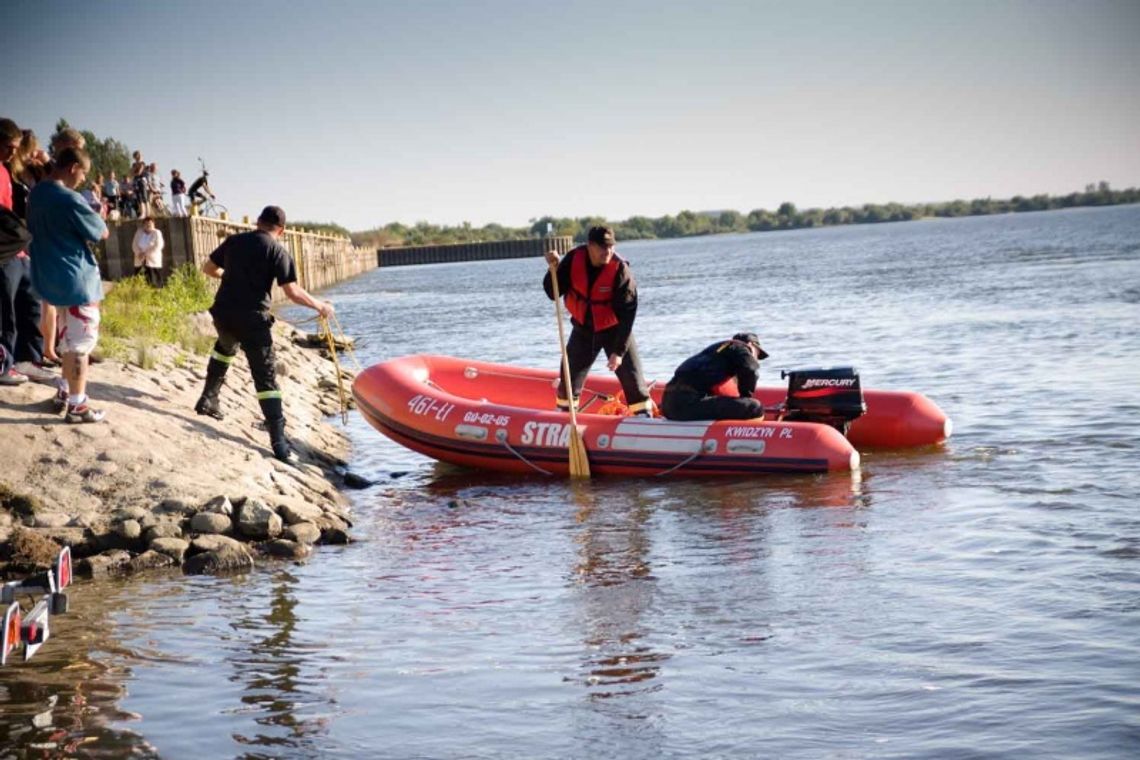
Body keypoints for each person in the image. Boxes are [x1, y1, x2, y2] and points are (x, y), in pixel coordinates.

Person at [194, 205, 334, 462]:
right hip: (253, 320)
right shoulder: (277, 250)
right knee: (266, 378)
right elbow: (291, 291)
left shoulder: (234, 241)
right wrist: (320, 306)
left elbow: (208, 269)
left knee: (225, 347)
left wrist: (231, 276)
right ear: (281, 230)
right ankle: (279, 443)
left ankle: (208, 398)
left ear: (258, 222)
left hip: (222, 313)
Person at [27, 147, 110, 423]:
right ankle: (78, 405)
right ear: (74, 167)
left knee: (67, 340)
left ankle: (64, 392)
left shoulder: (37, 194)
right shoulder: (69, 199)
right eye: (83, 173)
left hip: (51, 278)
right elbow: (101, 232)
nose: (83, 179)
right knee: (80, 345)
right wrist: (100, 213)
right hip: (77, 279)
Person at [542, 225, 654, 416]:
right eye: (603, 247)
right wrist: (553, 269)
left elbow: (628, 315)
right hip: (583, 331)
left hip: (615, 331)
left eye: (611, 246)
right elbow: (553, 292)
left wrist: (618, 352)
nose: (608, 251)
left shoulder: (621, 271)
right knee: (568, 381)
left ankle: (645, 418)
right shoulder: (573, 260)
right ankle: (565, 416)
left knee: (635, 384)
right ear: (590, 246)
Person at [0, 117, 54, 386]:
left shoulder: (12, 172)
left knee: (29, 305)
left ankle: (28, 360)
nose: (13, 151)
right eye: (9, 146)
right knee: (5, 312)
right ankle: (4, 364)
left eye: (16, 147)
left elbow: (56, 177)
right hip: (6, 250)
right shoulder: (7, 172)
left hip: (21, 250)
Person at [659, 333, 770, 421]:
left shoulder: (715, 351)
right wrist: (746, 396)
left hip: (668, 406)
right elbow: (750, 370)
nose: (756, 359)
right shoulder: (740, 347)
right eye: (758, 355)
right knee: (754, 407)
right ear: (751, 344)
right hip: (688, 404)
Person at [131, 217, 164, 286]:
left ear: (153, 224)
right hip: (139, 259)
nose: (148, 225)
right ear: (143, 225)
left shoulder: (157, 233)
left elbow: (158, 246)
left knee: (154, 280)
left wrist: (145, 254)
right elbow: (134, 244)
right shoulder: (139, 232)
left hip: (152, 260)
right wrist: (139, 253)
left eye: (150, 223)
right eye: (146, 224)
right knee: (138, 280)